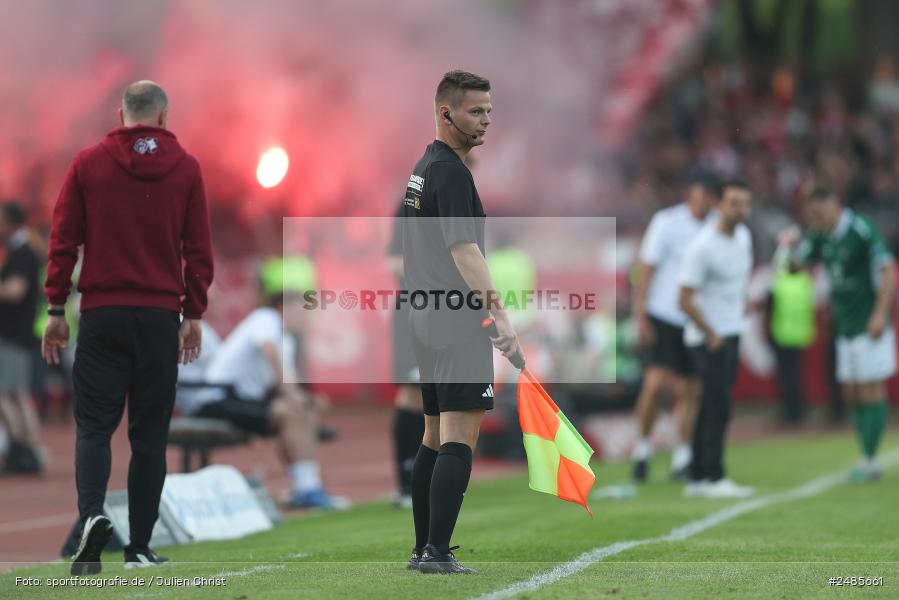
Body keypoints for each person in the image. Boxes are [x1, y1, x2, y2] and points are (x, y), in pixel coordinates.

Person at [42, 81, 213, 575]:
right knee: (149, 436)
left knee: (94, 428)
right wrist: (194, 314)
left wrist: (56, 309)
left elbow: (63, 239)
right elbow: (198, 250)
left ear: (122, 115)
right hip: (159, 316)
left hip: (102, 313)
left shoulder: (88, 163)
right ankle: (139, 546)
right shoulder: (186, 168)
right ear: (163, 117)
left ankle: (92, 521)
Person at [401, 70, 523, 574]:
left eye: (490, 112)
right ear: (445, 112)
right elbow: (464, 251)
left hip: (425, 317)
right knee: (459, 435)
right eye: (476, 112)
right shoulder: (451, 172)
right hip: (453, 318)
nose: (486, 122)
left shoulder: (423, 168)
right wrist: (500, 317)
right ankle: (436, 552)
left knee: (433, 435)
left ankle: (424, 547)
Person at [189, 257, 348, 510]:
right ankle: (307, 489)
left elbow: (284, 380)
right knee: (290, 410)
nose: (309, 312)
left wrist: (305, 400)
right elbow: (270, 354)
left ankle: (306, 488)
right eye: (304, 306)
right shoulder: (266, 319)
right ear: (285, 306)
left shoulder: (288, 338)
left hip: (241, 400)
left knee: (303, 409)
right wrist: (296, 398)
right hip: (215, 399)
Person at [780, 186, 894, 481]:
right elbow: (795, 268)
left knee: (871, 388)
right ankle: (865, 456)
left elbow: (888, 269)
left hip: (869, 322)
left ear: (835, 205)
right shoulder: (819, 234)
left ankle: (869, 460)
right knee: (853, 392)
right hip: (844, 324)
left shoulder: (860, 228)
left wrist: (880, 314)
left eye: (819, 213)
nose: (815, 220)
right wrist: (787, 247)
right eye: (812, 215)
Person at [631, 175, 716, 482]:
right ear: (690, 193)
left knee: (691, 389)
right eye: (701, 193)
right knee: (655, 385)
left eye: (710, 195)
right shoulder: (666, 222)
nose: (705, 200)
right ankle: (642, 450)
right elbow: (647, 269)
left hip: (696, 317)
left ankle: (682, 455)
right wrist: (639, 315)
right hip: (664, 312)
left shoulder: (717, 226)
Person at [678, 180, 755, 499]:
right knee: (718, 405)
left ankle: (697, 477)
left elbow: (735, 283)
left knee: (713, 403)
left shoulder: (744, 238)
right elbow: (684, 298)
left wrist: (743, 303)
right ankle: (714, 476)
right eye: (734, 202)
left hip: (731, 329)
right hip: (708, 337)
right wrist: (710, 333)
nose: (740, 209)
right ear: (719, 206)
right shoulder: (702, 246)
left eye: (744, 203)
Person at [386, 209, 425, 509]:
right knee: (412, 392)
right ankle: (406, 484)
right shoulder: (410, 208)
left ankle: (423, 481)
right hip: (415, 310)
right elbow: (391, 260)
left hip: (443, 311)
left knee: (431, 395)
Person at [0, 201, 43, 474]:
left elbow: (15, 291)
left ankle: (22, 448)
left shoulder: (23, 252)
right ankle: (26, 448)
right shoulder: (22, 250)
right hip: (17, 335)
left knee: (9, 394)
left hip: (14, 336)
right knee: (16, 394)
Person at [766, 244, 815, 425]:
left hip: (783, 334)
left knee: (786, 376)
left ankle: (789, 412)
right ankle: (799, 411)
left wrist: (782, 247)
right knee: (796, 374)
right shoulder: (805, 282)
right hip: (801, 334)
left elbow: (776, 270)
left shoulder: (781, 282)